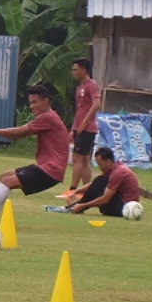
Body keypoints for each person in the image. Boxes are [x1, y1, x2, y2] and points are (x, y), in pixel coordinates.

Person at [0, 84, 70, 227]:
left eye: (35, 102)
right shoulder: (48, 117)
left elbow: (19, 132)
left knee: (7, 182)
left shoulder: (48, 117)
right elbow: (23, 132)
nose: (32, 106)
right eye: (30, 103)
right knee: (4, 177)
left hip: (51, 170)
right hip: (48, 168)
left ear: (46, 101)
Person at [46, 147, 140, 217]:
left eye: (100, 164)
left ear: (108, 162)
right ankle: (74, 207)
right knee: (99, 181)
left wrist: (83, 205)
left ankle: (75, 208)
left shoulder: (118, 173)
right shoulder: (115, 168)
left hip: (124, 209)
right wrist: (76, 191)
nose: (99, 167)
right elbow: (93, 184)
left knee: (100, 181)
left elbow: (105, 199)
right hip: (123, 206)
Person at [60, 58, 102, 199]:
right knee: (84, 159)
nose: (74, 72)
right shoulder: (80, 88)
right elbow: (79, 110)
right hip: (79, 128)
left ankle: (73, 190)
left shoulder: (92, 85)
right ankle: (87, 191)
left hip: (87, 128)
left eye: (76, 69)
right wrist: (73, 129)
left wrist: (84, 123)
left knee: (78, 158)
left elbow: (96, 104)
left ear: (84, 70)